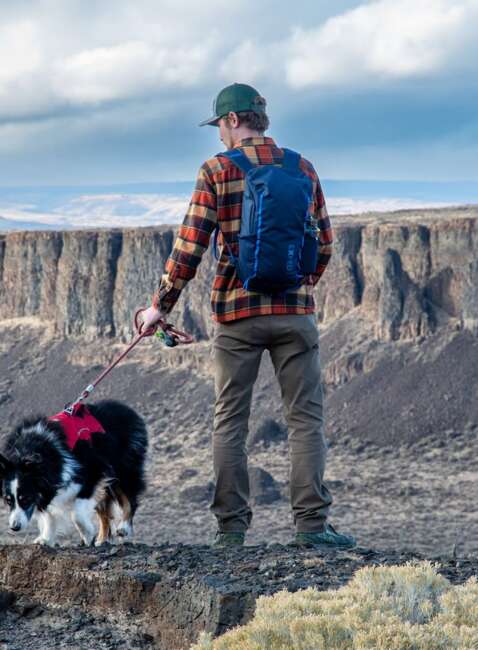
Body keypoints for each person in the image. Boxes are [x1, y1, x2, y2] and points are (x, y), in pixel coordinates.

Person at [140, 83, 356, 549]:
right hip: (295, 313)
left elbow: (190, 245)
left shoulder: (217, 169)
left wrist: (160, 305)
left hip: (237, 314)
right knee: (305, 420)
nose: (218, 133)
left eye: (219, 123)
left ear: (234, 120)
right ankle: (313, 528)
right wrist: (299, 286)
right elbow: (325, 244)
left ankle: (231, 530)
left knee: (230, 420)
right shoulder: (302, 167)